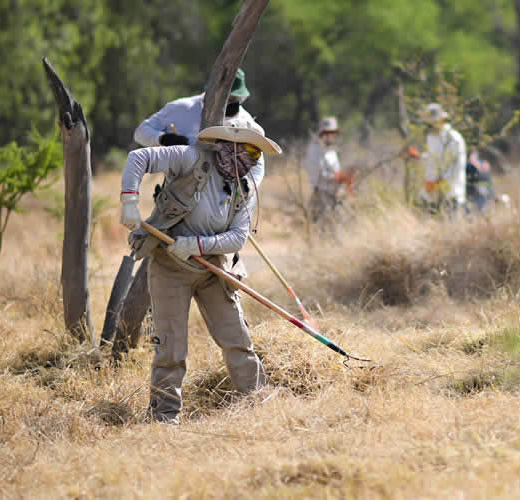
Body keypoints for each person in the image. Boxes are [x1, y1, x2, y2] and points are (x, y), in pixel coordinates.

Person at [119, 123, 281, 424]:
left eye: (256, 154)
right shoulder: (189, 157)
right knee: (171, 348)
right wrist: (129, 200)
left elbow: (237, 238)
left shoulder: (245, 187)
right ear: (226, 146)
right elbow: (137, 159)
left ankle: (260, 405)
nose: (251, 160)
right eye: (247, 150)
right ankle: (164, 418)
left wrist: (196, 245)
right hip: (170, 268)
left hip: (213, 271)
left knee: (237, 340)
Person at [133, 68, 267, 187]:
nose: (229, 103)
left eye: (234, 99)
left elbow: (258, 164)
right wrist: (163, 139)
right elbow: (140, 132)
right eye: (225, 97)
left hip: (222, 202)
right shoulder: (181, 108)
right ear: (211, 91)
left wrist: (246, 188)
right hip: (176, 195)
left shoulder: (246, 122)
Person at [305, 116, 355, 222]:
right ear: (322, 134)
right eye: (328, 133)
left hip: (334, 196)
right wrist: (339, 176)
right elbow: (319, 174)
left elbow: (335, 170)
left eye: (333, 133)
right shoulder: (314, 150)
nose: (331, 136)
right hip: (321, 198)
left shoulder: (331, 150)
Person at [419, 103, 467, 214]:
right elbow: (432, 160)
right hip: (431, 195)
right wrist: (418, 157)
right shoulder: (431, 138)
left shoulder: (454, 138)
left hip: (451, 194)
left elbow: (456, 166)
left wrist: (438, 183)